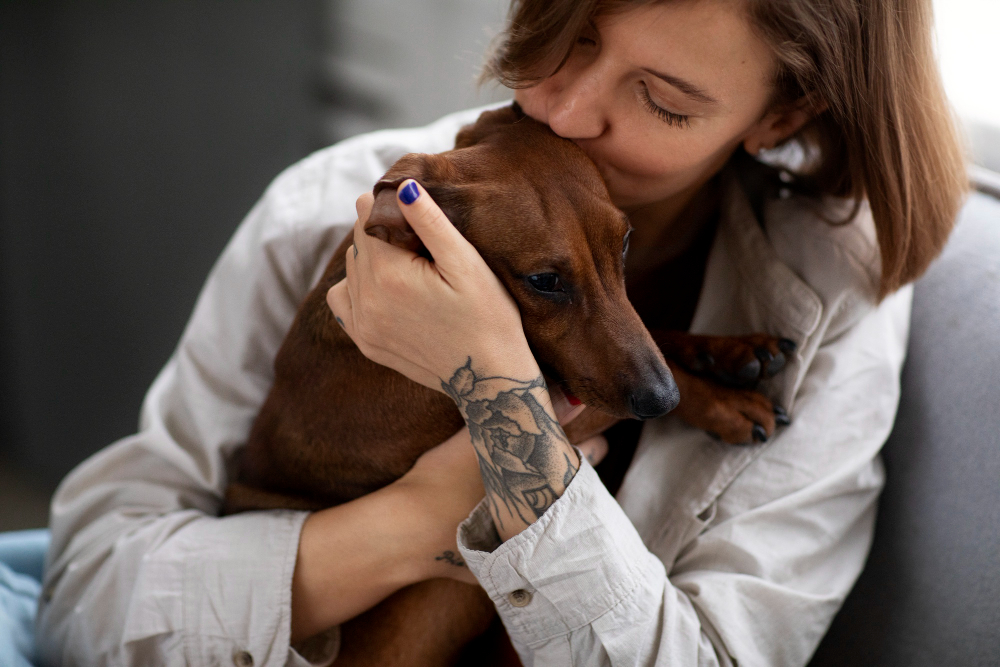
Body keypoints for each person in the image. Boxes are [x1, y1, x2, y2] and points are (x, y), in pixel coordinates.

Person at [36, 0, 966, 665]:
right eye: (567, 33)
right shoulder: (331, 208)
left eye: (664, 100)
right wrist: (412, 523)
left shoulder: (837, 294)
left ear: (781, 115)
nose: (563, 110)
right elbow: (85, 601)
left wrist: (498, 401)